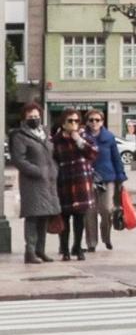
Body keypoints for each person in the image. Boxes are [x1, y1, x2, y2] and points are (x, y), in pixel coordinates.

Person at [10, 103, 56, 264]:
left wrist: (52, 170)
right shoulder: (19, 136)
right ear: (24, 118)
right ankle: (30, 251)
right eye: (31, 117)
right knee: (33, 216)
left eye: (36, 117)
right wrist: (37, 171)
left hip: (48, 181)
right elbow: (18, 159)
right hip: (32, 181)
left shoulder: (44, 133)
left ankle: (40, 250)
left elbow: (51, 153)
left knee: (44, 216)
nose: (34, 119)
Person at [51, 110, 96, 261]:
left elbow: (93, 154)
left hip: (81, 182)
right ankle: (64, 249)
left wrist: (78, 140)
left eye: (76, 121)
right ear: (63, 123)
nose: (74, 124)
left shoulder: (83, 137)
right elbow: (52, 161)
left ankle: (77, 247)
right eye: (70, 121)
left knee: (79, 218)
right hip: (64, 181)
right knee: (64, 218)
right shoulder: (56, 141)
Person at [83, 109, 123, 251]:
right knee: (90, 212)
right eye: (91, 120)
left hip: (107, 178)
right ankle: (91, 243)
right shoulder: (83, 137)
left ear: (102, 122)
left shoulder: (109, 137)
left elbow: (116, 158)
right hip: (89, 178)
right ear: (87, 122)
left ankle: (106, 238)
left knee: (106, 209)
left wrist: (120, 177)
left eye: (97, 120)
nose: (94, 122)